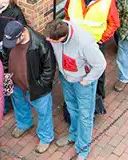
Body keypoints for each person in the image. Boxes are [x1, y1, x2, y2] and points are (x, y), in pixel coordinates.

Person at [46, 19, 107, 160]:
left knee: (85, 116)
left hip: (82, 82)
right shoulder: (57, 29)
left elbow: (100, 64)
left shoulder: (84, 43)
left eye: (52, 40)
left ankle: (83, 149)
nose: (48, 40)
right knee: (72, 108)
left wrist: (86, 81)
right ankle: (73, 135)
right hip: (66, 78)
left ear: (61, 38)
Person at [63, 0, 119, 115]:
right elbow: (67, 12)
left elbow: (114, 23)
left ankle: (99, 97)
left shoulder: (107, 0)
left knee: (97, 70)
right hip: (75, 41)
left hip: (95, 43)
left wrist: (102, 39)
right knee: (76, 67)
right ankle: (77, 95)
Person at [1, 21, 56, 154]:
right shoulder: (10, 39)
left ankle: (46, 137)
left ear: (22, 34)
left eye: (13, 42)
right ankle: (24, 124)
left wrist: (40, 85)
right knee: (19, 106)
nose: (10, 45)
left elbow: (49, 69)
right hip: (16, 83)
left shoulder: (40, 43)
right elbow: (4, 58)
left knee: (44, 113)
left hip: (36, 87)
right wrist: (7, 78)